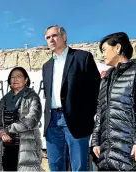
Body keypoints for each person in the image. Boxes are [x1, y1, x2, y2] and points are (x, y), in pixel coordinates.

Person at [91, 32, 136, 171]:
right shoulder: (106, 79)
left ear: (118, 48)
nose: (102, 55)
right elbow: (100, 113)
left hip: (131, 154)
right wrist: (96, 142)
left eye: (104, 50)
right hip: (106, 156)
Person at [42, 25, 101, 171]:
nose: (51, 40)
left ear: (64, 37)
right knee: (55, 166)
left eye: (54, 35)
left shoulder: (82, 57)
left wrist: (86, 116)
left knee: (79, 166)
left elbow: (95, 91)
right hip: (52, 122)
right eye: (48, 37)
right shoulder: (46, 66)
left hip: (76, 121)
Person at [0, 67, 43, 171]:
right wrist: (1, 132)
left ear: (26, 80)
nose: (15, 79)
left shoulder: (32, 97)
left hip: (26, 147)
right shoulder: (5, 98)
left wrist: (8, 130)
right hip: (5, 147)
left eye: (19, 76)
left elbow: (32, 119)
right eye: (12, 77)